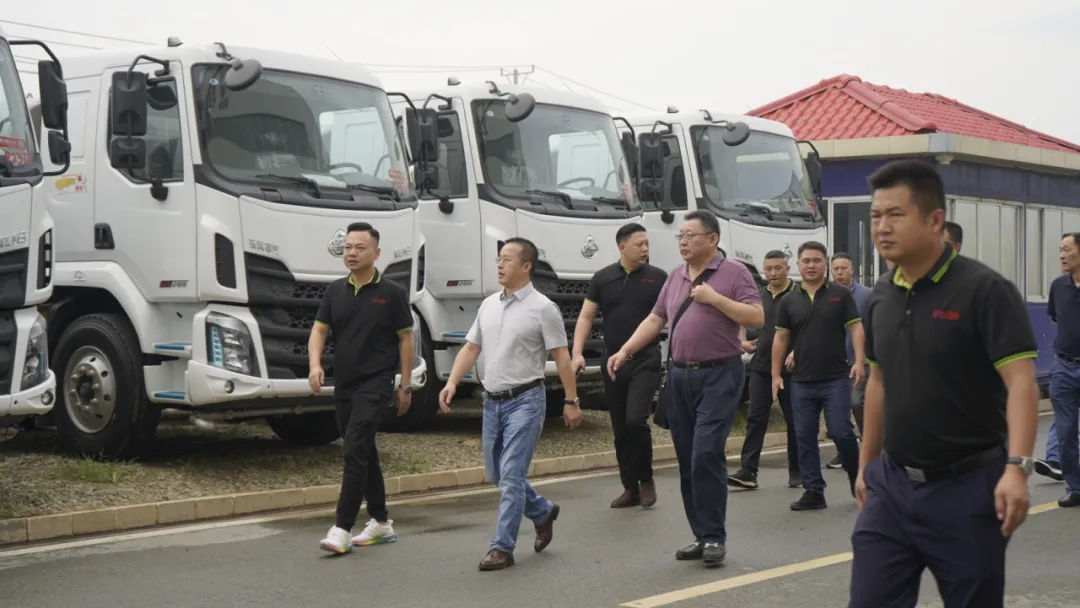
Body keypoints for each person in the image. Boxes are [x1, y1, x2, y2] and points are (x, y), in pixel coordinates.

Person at [850, 160, 1040, 607]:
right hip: (892, 487)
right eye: (875, 216)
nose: (882, 227)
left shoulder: (984, 290)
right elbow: (878, 383)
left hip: (969, 487)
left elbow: (1022, 384)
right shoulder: (880, 296)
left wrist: (1017, 468)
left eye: (895, 214)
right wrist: (866, 464)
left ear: (935, 220)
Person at [608, 209, 764, 569]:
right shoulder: (676, 275)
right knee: (688, 458)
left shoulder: (734, 272)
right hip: (680, 377)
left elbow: (756, 316)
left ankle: (715, 536)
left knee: (706, 452)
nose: (683, 242)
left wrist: (715, 299)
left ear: (713, 239)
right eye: (680, 236)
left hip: (719, 374)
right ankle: (701, 534)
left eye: (690, 236)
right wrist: (625, 350)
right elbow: (656, 318)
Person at [438, 237, 583, 571]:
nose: (500, 265)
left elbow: (561, 357)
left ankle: (502, 547)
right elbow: (471, 347)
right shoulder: (489, 304)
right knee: (496, 473)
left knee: (512, 475)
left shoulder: (544, 308)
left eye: (507, 259)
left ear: (526, 266)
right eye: (498, 259)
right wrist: (452, 382)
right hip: (492, 402)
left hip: (526, 401)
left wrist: (571, 400)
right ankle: (542, 511)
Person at [308, 222, 415, 554]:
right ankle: (381, 522)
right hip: (345, 383)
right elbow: (319, 330)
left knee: (354, 449)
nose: (352, 253)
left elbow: (406, 339)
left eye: (360, 248)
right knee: (364, 450)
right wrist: (314, 365)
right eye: (348, 247)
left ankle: (342, 527)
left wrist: (406, 385)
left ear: (376, 253)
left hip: (376, 384)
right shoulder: (335, 291)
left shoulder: (392, 293)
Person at [572, 223, 667, 508]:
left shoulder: (658, 278)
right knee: (620, 428)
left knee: (635, 420)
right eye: (639, 244)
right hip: (613, 362)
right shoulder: (603, 278)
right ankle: (630, 487)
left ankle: (646, 479)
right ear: (622, 247)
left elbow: (671, 314)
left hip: (646, 359)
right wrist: (577, 352)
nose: (645, 249)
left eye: (647, 243)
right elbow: (586, 316)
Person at [771, 241, 864, 511]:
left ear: (826, 264)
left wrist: (859, 361)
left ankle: (855, 475)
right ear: (798, 265)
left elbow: (856, 329)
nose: (811, 265)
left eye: (816, 260)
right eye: (806, 261)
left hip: (836, 378)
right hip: (801, 381)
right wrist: (775, 375)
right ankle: (813, 490)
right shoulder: (789, 300)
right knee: (804, 435)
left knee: (841, 431)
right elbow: (780, 338)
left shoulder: (840, 295)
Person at [730, 249, 800, 490]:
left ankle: (797, 470)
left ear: (788, 268)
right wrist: (742, 342)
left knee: (795, 420)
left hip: (792, 370)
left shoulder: (798, 295)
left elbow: (809, 328)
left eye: (777, 268)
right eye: (768, 269)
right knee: (756, 417)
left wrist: (796, 351)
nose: (772, 273)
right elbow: (741, 318)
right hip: (761, 367)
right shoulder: (758, 296)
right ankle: (748, 471)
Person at [824, 252, 872, 470]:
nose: (839, 272)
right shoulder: (826, 295)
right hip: (834, 362)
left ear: (852, 270)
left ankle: (869, 442)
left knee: (855, 401)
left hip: (861, 361)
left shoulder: (866, 295)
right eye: (836, 269)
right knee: (837, 409)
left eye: (844, 268)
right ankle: (845, 450)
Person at [1045, 233, 1080, 507]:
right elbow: (1057, 319)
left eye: (1067, 249)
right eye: (1060, 250)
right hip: (1065, 368)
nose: (1061, 255)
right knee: (1066, 433)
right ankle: (1075, 487)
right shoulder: (1058, 286)